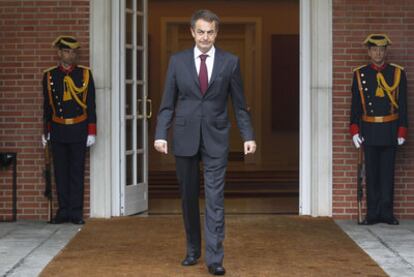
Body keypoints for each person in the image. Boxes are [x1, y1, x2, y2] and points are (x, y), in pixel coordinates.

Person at [154, 9, 256, 276]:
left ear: (216, 33)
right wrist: (161, 134)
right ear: (192, 32)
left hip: (216, 138)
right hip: (185, 137)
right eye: (201, 32)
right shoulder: (177, 62)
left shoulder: (230, 62)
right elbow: (167, 103)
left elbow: (240, 103)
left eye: (210, 32)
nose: (205, 37)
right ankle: (192, 250)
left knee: (214, 198)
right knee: (188, 197)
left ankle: (214, 258)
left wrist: (248, 136)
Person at [350, 34, 407, 225]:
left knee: (388, 173)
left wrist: (402, 130)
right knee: (372, 173)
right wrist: (355, 129)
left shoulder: (397, 73)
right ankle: (372, 214)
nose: (378, 53)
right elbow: (355, 106)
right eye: (374, 49)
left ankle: (387, 213)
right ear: (368, 52)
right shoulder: (360, 74)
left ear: (386, 51)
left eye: (382, 49)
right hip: (370, 129)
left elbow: (404, 105)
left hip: (390, 128)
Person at [42, 35, 97, 225]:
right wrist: (46, 131)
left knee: (76, 172)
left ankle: (75, 212)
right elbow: (47, 106)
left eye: (73, 52)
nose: (71, 55)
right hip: (58, 129)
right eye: (67, 51)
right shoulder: (50, 75)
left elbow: (90, 104)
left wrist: (91, 131)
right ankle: (63, 211)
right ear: (59, 53)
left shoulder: (85, 75)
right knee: (60, 172)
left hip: (79, 128)